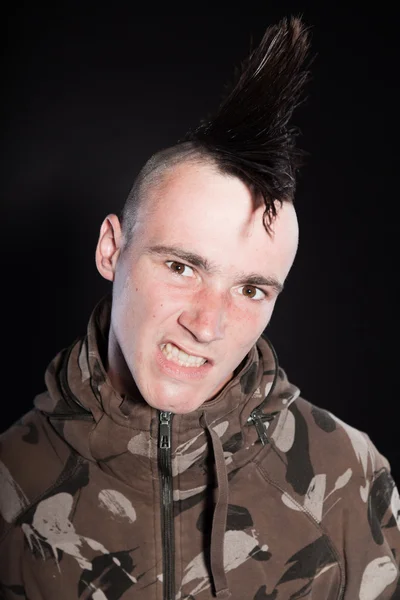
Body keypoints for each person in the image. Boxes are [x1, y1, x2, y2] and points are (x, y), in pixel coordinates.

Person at [0, 16, 399, 600]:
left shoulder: (350, 474)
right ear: (112, 249)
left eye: (251, 289)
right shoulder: (10, 486)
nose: (208, 325)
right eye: (182, 267)